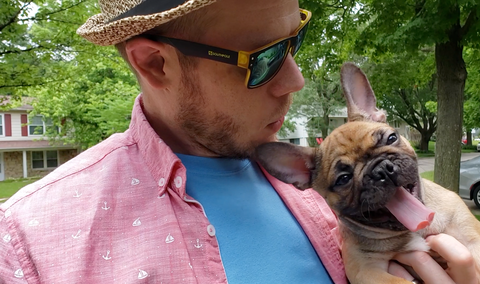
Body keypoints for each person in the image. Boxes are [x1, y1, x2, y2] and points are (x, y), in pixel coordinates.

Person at [0, 0, 476, 283]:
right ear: (154, 64)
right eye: (265, 58)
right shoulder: (29, 244)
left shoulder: (323, 186)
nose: (297, 79)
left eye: (297, 41)